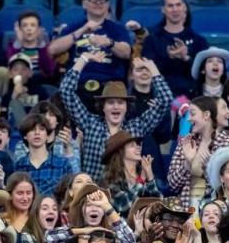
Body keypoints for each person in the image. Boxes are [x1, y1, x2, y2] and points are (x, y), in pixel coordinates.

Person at [59, 53, 172, 181]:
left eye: (120, 102)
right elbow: (66, 91)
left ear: (126, 107)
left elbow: (166, 99)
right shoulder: (90, 123)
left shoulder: (135, 128)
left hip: (125, 196)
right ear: (103, 107)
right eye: (111, 102)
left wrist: (152, 68)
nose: (116, 107)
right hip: (94, 193)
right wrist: (83, 59)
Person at [140, 0, 209, 98]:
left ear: (184, 7)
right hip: (160, 98)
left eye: (178, 5)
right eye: (170, 6)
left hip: (192, 98)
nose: (175, 9)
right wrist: (169, 58)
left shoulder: (199, 41)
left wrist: (186, 58)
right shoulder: (151, 40)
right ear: (163, 9)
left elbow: (205, 73)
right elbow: (147, 73)